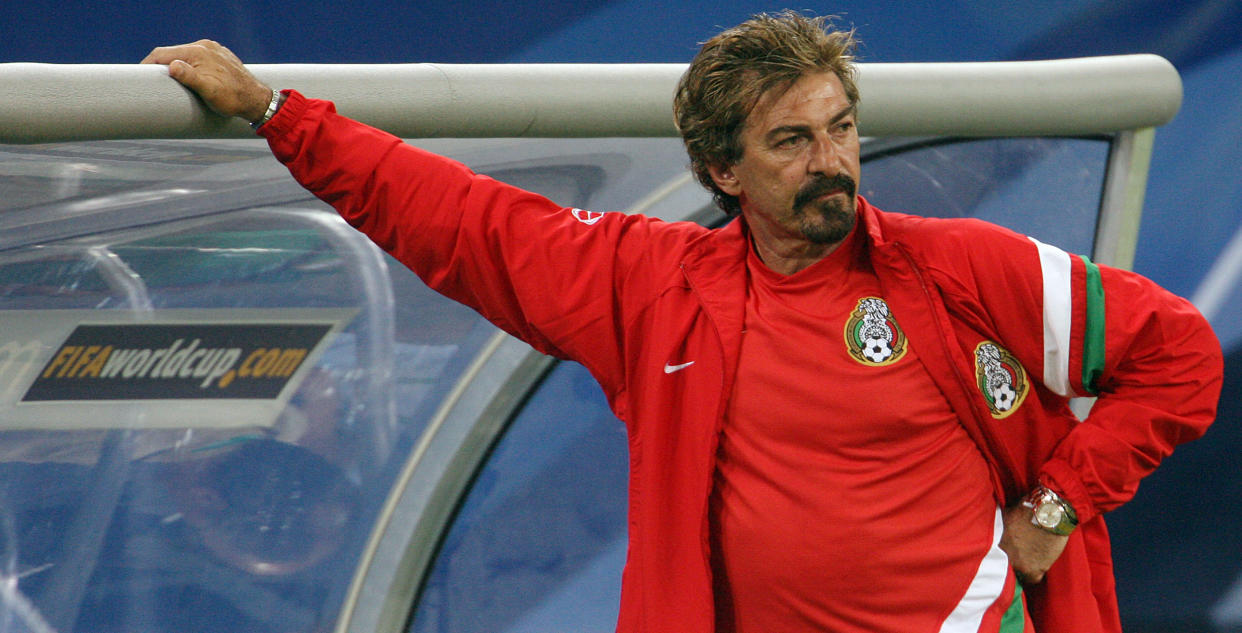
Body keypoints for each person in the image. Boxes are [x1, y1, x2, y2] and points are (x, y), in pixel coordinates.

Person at [142, 11, 1222, 633]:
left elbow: (1177, 356)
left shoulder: (962, 272)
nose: (832, 160)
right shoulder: (652, 288)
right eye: (791, 141)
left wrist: (1061, 499)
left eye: (841, 128)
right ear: (720, 170)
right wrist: (278, 115)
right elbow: (458, 220)